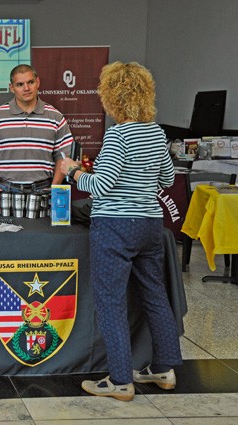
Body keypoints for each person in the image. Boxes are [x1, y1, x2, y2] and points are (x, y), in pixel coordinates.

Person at [60, 62, 182, 401]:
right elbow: (168, 181)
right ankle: (164, 369)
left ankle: (119, 380)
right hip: (149, 225)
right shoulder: (156, 133)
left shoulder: (118, 134)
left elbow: (101, 185)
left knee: (110, 302)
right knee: (155, 296)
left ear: (112, 96)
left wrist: (72, 172)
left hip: (115, 226)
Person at [0, 64, 74, 214]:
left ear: (38, 82)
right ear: (11, 87)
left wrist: (55, 188)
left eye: (30, 82)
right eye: (20, 84)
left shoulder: (55, 117)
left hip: (43, 191)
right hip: (4, 191)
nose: (26, 88)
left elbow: (63, 156)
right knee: (1, 237)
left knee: (44, 237)